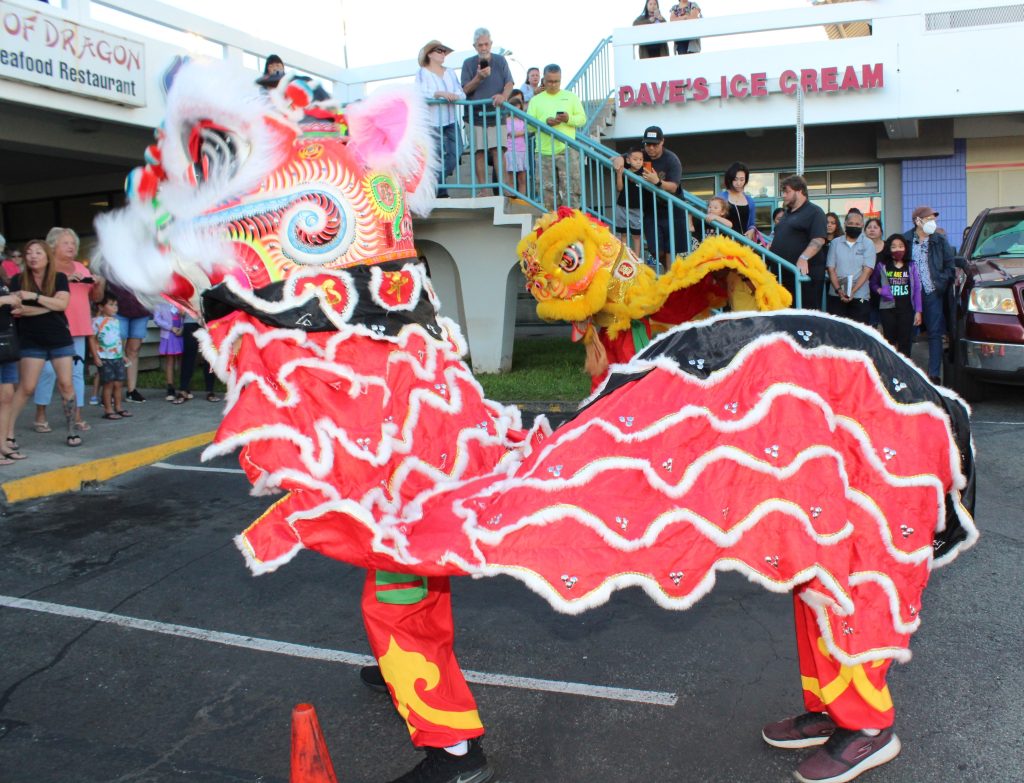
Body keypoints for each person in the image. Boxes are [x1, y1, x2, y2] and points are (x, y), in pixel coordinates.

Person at [8, 239, 82, 447]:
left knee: (66, 384)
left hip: (59, 338)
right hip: (30, 339)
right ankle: (8, 432)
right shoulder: (17, 280)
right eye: (29, 252)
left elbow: (64, 304)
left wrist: (34, 297)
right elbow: (17, 311)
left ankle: (72, 430)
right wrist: (51, 305)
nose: (33, 256)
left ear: (47, 257)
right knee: (26, 387)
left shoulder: (58, 278)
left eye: (38, 252)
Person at [32, 227, 103, 434]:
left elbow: (96, 298)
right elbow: (38, 294)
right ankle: (40, 414)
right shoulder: (46, 269)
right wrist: (62, 280)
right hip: (53, 326)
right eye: (66, 243)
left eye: (73, 243)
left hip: (79, 327)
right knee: (46, 372)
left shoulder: (81, 268)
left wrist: (97, 284)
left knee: (77, 373)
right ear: (53, 246)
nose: (71, 246)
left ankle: (77, 415)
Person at [612, 126, 688, 268]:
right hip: (650, 210)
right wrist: (619, 160)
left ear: (662, 142)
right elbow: (623, 157)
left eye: (655, 144)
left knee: (670, 249)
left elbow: (674, 187)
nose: (651, 148)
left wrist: (657, 182)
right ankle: (669, 274)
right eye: (648, 144)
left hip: (672, 209)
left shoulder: (671, 159)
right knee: (655, 250)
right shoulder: (640, 155)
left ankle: (670, 281)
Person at [903, 206, 956, 383]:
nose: (932, 223)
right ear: (918, 221)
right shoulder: (906, 239)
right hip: (909, 294)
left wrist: (940, 282)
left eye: (934, 219)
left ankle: (934, 374)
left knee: (935, 333)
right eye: (928, 219)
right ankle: (906, 372)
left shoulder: (939, 240)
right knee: (908, 333)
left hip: (932, 292)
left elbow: (950, 266)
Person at [460, 28, 513, 197]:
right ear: (474, 46)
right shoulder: (468, 64)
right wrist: (479, 77)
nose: (483, 47)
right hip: (474, 116)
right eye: (480, 45)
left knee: (499, 151)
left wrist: (504, 96)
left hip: (497, 114)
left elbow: (509, 83)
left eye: (486, 44)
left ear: (491, 44)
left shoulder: (500, 60)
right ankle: (484, 189)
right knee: (479, 152)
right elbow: (465, 90)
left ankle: (504, 187)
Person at [526, 64, 586, 211]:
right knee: (547, 194)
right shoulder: (536, 100)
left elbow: (582, 119)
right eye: (550, 81)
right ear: (543, 80)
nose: (553, 85)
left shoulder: (570, 97)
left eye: (556, 81)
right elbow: (528, 126)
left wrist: (567, 119)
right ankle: (553, 225)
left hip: (567, 149)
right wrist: (545, 123)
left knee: (572, 191)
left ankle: (571, 223)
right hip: (543, 152)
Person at [769, 175, 827, 309]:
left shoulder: (814, 212)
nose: (784, 195)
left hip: (804, 276)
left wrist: (804, 257)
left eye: (787, 191)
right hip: (784, 276)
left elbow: (818, 239)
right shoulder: (787, 214)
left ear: (799, 191)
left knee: (806, 319)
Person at [417, 40, 465, 198]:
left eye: (444, 51)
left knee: (457, 151)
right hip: (433, 122)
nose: (443, 53)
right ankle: (440, 190)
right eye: (439, 50)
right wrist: (439, 93)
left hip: (450, 120)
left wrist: (453, 96)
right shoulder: (423, 72)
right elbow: (420, 93)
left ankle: (436, 184)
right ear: (430, 53)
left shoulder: (450, 72)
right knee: (436, 156)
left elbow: (461, 92)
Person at [870, 234, 921, 357]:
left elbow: (917, 289)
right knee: (889, 342)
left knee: (905, 342)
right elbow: (873, 283)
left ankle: (905, 371)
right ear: (889, 249)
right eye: (893, 247)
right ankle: (891, 370)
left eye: (900, 246)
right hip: (887, 310)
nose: (897, 249)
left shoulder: (911, 265)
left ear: (906, 248)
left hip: (907, 310)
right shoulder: (882, 265)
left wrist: (918, 311)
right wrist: (880, 291)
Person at [825, 208, 874, 323]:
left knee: (859, 332)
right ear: (845, 224)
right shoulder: (835, 243)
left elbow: (867, 271)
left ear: (862, 225)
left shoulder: (868, 244)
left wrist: (852, 291)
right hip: (836, 295)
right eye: (851, 223)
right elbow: (831, 269)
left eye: (857, 224)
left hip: (860, 295)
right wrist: (839, 290)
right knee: (837, 331)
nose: (854, 226)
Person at [88, 291, 132, 420]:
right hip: (104, 357)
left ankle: (118, 407)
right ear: (101, 307)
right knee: (108, 384)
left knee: (119, 383)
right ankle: (108, 409)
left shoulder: (116, 321)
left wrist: (122, 354)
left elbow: (117, 340)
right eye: (111, 304)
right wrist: (95, 356)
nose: (115, 308)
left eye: (116, 305)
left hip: (117, 357)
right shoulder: (96, 321)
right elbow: (91, 339)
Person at [107, 281, 151, 403]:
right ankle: (111, 390)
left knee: (133, 351)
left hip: (141, 310)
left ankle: (131, 391)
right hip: (119, 309)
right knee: (115, 350)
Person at [0, 269, 23, 463]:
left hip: (5, 341)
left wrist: (15, 304)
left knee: (7, 395)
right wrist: (5, 300)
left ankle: (2, 444)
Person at [175, 312, 220, 404]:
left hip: (209, 321)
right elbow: (181, 310)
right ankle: (183, 390)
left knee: (209, 357)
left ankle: (210, 390)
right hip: (190, 321)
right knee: (188, 356)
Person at [615, 147, 646, 256]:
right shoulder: (626, 171)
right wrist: (619, 174)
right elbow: (619, 188)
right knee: (623, 233)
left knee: (636, 235)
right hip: (622, 205)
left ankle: (636, 257)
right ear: (628, 160)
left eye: (641, 159)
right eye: (635, 159)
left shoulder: (645, 172)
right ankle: (624, 256)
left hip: (637, 207)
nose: (638, 162)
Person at [718, 161, 758, 241]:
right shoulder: (721, 197)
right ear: (730, 179)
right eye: (735, 179)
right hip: (725, 242)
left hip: (744, 243)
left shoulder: (750, 201)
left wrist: (752, 229)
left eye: (742, 180)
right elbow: (712, 215)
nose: (738, 183)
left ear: (746, 180)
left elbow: (752, 223)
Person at [153, 302, 184, 401]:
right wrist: (170, 327)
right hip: (169, 334)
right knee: (170, 360)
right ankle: (170, 386)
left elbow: (185, 316)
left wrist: (182, 328)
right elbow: (157, 319)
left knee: (181, 360)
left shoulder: (179, 300)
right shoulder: (159, 303)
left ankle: (183, 386)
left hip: (180, 333)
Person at [504, 89, 528, 193]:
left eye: (518, 107)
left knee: (522, 178)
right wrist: (524, 131)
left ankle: (521, 201)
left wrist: (524, 131)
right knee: (510, 178)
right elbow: (510, 133)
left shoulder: (523, 120)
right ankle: (510, 199)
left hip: (522, 151)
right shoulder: (506, 120)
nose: (516, 109)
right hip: (510, 151)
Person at [863, 217, 885, 325]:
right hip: (866, 288)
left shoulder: (888, 246)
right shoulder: (861, 247)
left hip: (884, 289)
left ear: (881, 231)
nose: (872, 230)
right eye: (869, 227)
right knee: (870, 322)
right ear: (865, 231)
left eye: (875, 227)